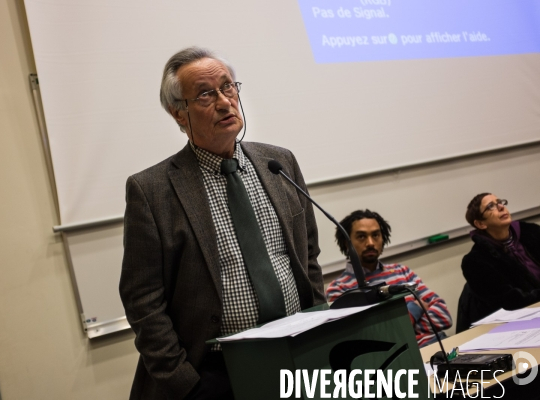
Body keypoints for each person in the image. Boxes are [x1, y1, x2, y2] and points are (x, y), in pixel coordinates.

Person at [119, 47, 325, 400]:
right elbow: (143, 301)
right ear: (179, 115)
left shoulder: (280, 163)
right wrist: (186, 382)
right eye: (205, 94)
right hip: (215, 373)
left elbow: (308, 256)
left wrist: (322, 330)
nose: (225, 102)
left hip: (297, 353)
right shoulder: (151, 190)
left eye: (228, 87)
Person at [326, 209, 452, 348]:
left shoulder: (402, 272)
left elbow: (443, 315)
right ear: (346, 243)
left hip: (437, 348)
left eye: (375, 235)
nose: (370, 243)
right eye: (361, 236)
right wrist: (415, 308)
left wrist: (395, 328)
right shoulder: (338, 289)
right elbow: (365, 339)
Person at [460, 193, 540, 326]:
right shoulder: (475, 262)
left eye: (500, 202)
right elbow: (510, 302)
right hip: (518, 323)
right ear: (480, 224)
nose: (501, 207)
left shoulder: (532, 232)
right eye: (491, 206)